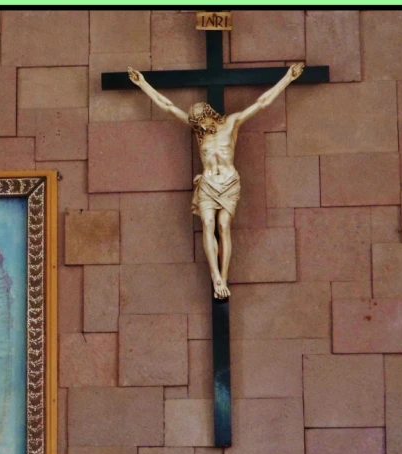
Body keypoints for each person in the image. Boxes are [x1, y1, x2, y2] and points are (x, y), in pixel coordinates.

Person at [128, 63, 305, 299]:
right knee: (208, 223)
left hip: (229, 182)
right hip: (208, 185)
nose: (199, 127)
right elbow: (168, 107)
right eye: (196, 124)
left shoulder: (231, 124)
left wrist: (287, 78)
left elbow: (262, 103)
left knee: (223, 226)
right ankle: (216, 277)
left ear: (209, 116)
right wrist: (142, 84)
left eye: (201, 122)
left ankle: (224, 274)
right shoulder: (199, 132)